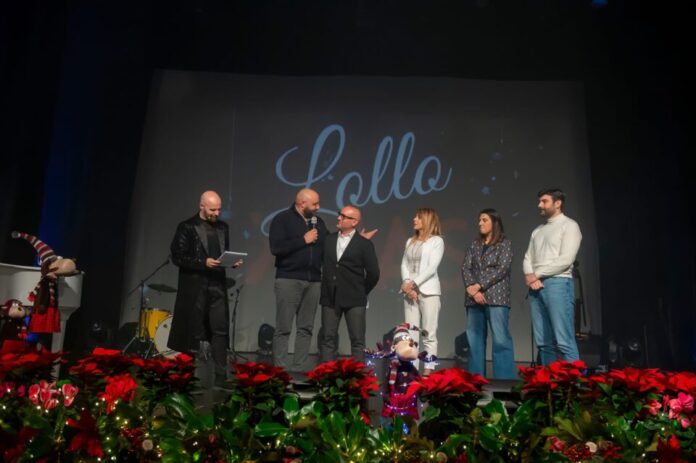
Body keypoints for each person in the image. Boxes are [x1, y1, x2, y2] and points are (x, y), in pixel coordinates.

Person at [169, 190, 242, 388]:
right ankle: (185, 377)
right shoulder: (187, 227)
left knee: (220, 329)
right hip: (195, 288)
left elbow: (221, 254)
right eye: (212, 210)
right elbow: (177, 257)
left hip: (216, 286)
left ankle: (220, 375)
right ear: (202, 206)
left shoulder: (223, 227)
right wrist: (203, 262)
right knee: (191, 331)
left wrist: (230, 262)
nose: (216, 213)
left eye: (219, 209)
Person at [269, 188, 327, 372]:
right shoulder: (282, 219)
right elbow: (276, 248)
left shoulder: (318, 222)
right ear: (302, 203)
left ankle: (299, 369)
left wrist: (357, 240)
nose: (318, 207)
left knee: (306, 327)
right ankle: (280, 370)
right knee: (284, 327)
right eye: (315, 204)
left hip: (314, 281)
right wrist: (303, 240)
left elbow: (328, 246)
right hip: (289, 279)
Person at [523, 188, 582, 365]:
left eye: (544, 201)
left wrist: (536, 275)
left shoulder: (569, 225)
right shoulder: (537, 230)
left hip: (558, 283)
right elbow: (528, 258)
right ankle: (548, 380)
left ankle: (574, 381)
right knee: (543, 343)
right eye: (539, 201)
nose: (539, 205)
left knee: (564, 341)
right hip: (536, 287)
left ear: (558, 203)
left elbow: (566, 259)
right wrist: (530, 276)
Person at [319, 205, 380, 363]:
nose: (339, 218)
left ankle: (356, 375)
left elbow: (374, 273)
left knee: (357, 340)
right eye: (340, 214)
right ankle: (327, 374)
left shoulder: (364, 244)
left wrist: (361, 291)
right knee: (327, 338)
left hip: (355, 299)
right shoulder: (329, 239)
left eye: (344, 216)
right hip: (330, 297)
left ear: (354, 222)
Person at [461, 209, 516, 379]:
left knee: (500, 340)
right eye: (479, 220)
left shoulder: (504, 243)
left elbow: (502, 268)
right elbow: (466, 267)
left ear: (495, 222)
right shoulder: (475, 244)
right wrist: (471, 288)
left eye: (484, 220)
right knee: (474, 340)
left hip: (496, 298)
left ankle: (504, 381)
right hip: (473, 299)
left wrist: (479, 285)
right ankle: (476, 380)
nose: (480, 223)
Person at [400, 207, 444, 376]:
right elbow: (404, 264)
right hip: (409, 291)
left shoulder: (436, 241)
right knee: (411, 333)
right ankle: (412, 368)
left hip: (428, 291)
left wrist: (413, 284)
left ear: (427, 220)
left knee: (429, 332)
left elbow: (432, 268)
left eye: (418, 217)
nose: (414, 219)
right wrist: (406, 283)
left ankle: (428, 369)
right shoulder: (410, 241)